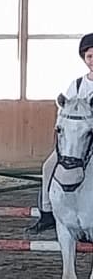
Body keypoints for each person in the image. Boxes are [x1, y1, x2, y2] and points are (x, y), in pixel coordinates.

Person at [28, 32, 93, 236]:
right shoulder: (77, 85)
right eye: (90, 56)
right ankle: (47, 212)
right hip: (78, 143)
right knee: (48, 166)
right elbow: (64, 114)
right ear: (84, 58)